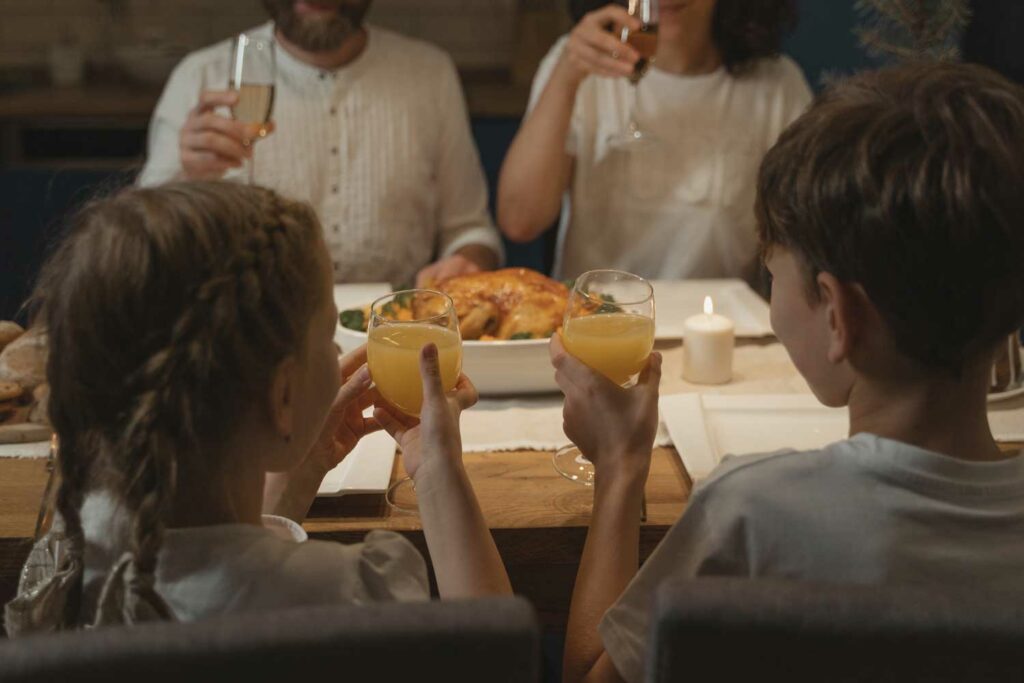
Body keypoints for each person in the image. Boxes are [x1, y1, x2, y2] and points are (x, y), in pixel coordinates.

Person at [549, 62, 1024, 682]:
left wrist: (619, 469)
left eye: (772, 276)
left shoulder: (749, 515)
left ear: (839, 315)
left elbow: (590, 675)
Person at [4, 181, 510, 634]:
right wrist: (439, 470)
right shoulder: (351, 595)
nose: (337, 355)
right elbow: (496, 660)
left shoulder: (65, 562)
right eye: (326, 335)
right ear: (283, 396)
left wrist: (296, 462)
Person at [139, 0, 503, 288]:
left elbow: (470, 231)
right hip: (247, 345)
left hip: (394, 339)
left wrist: (467, 264)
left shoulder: (429, 74)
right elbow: (142, 255)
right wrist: (185, 184)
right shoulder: (200, 77)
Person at [498, 0, 811, 284]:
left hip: (723, 327)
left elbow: (807, 239)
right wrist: (567, 75)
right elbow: (520, 221)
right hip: (596, 326)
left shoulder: (778, 85)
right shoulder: (577, 62)